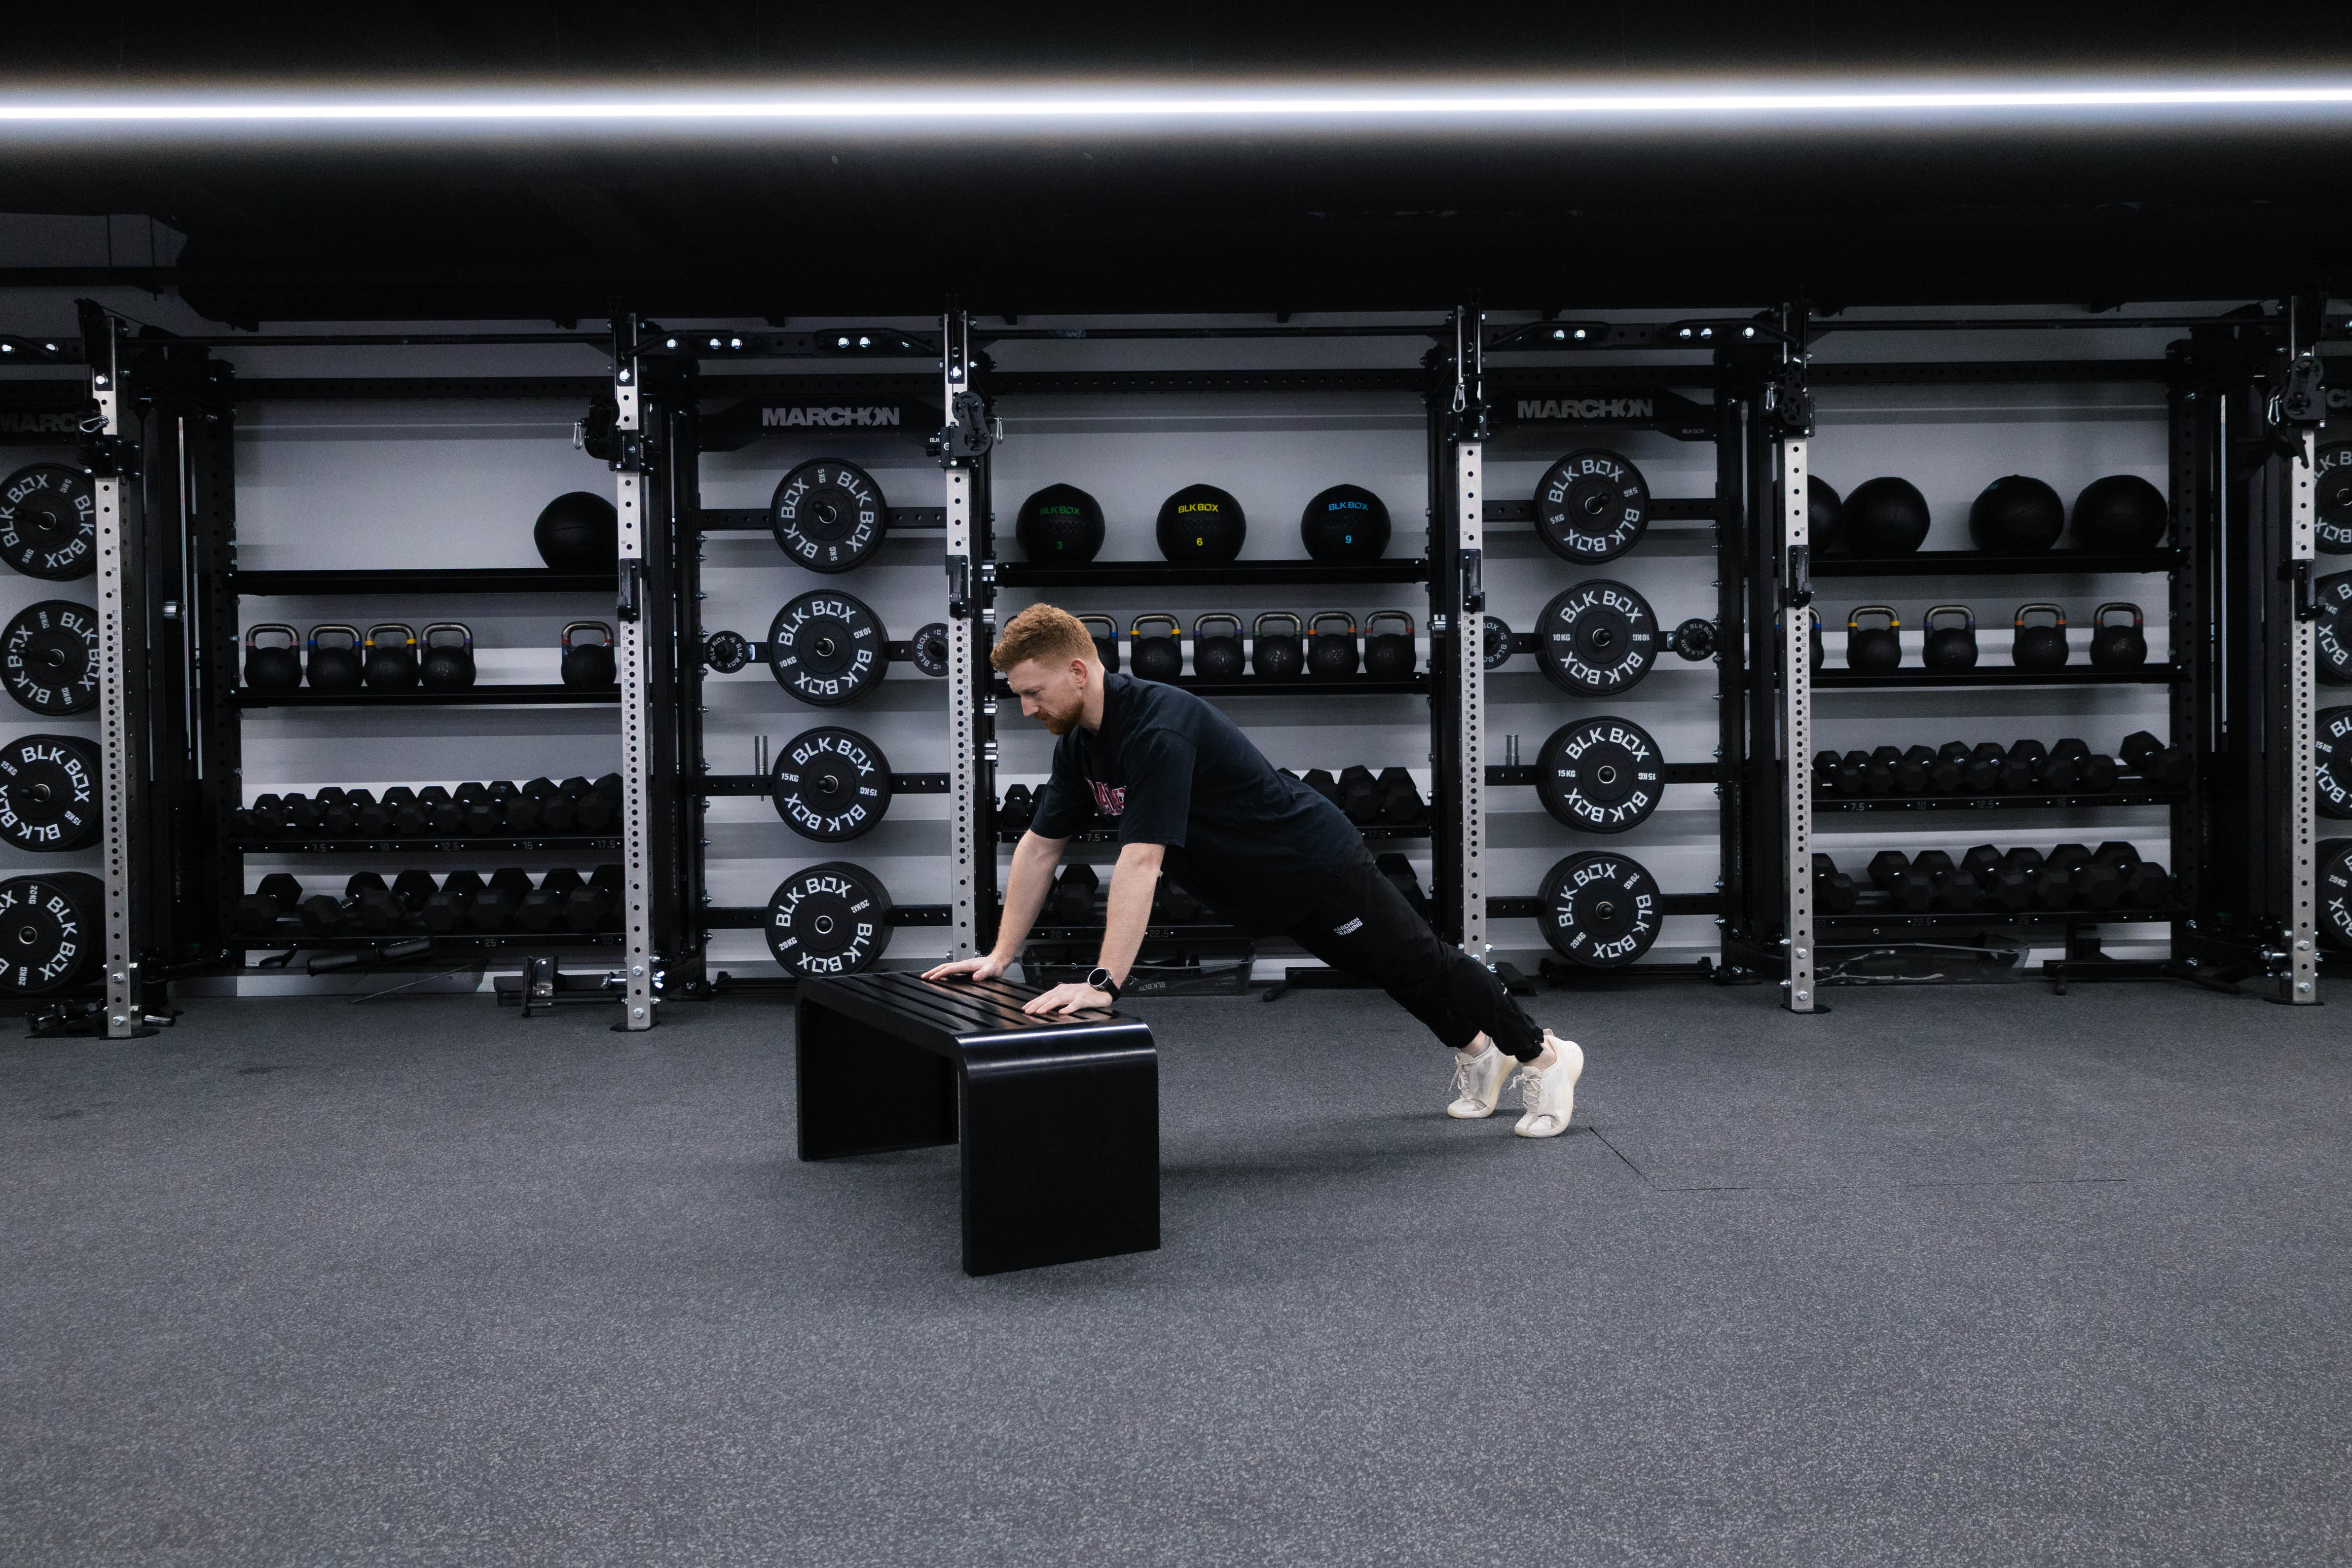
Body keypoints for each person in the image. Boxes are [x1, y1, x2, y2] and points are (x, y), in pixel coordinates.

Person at [922, 603, 1584, 1138]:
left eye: (1033, 693)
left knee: (1424, 965)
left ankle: (1544, 1056)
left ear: (1077, 670)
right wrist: (1000, 955)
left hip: (1314, 862)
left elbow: (1142, 860)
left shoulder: (1158, 727)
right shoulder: (1082, 746)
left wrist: (1103, 981)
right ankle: (1478, 1051)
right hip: (1267, 890)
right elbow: (1041, 847)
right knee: (1382, 970)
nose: (1027, 709)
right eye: (1019, 697)